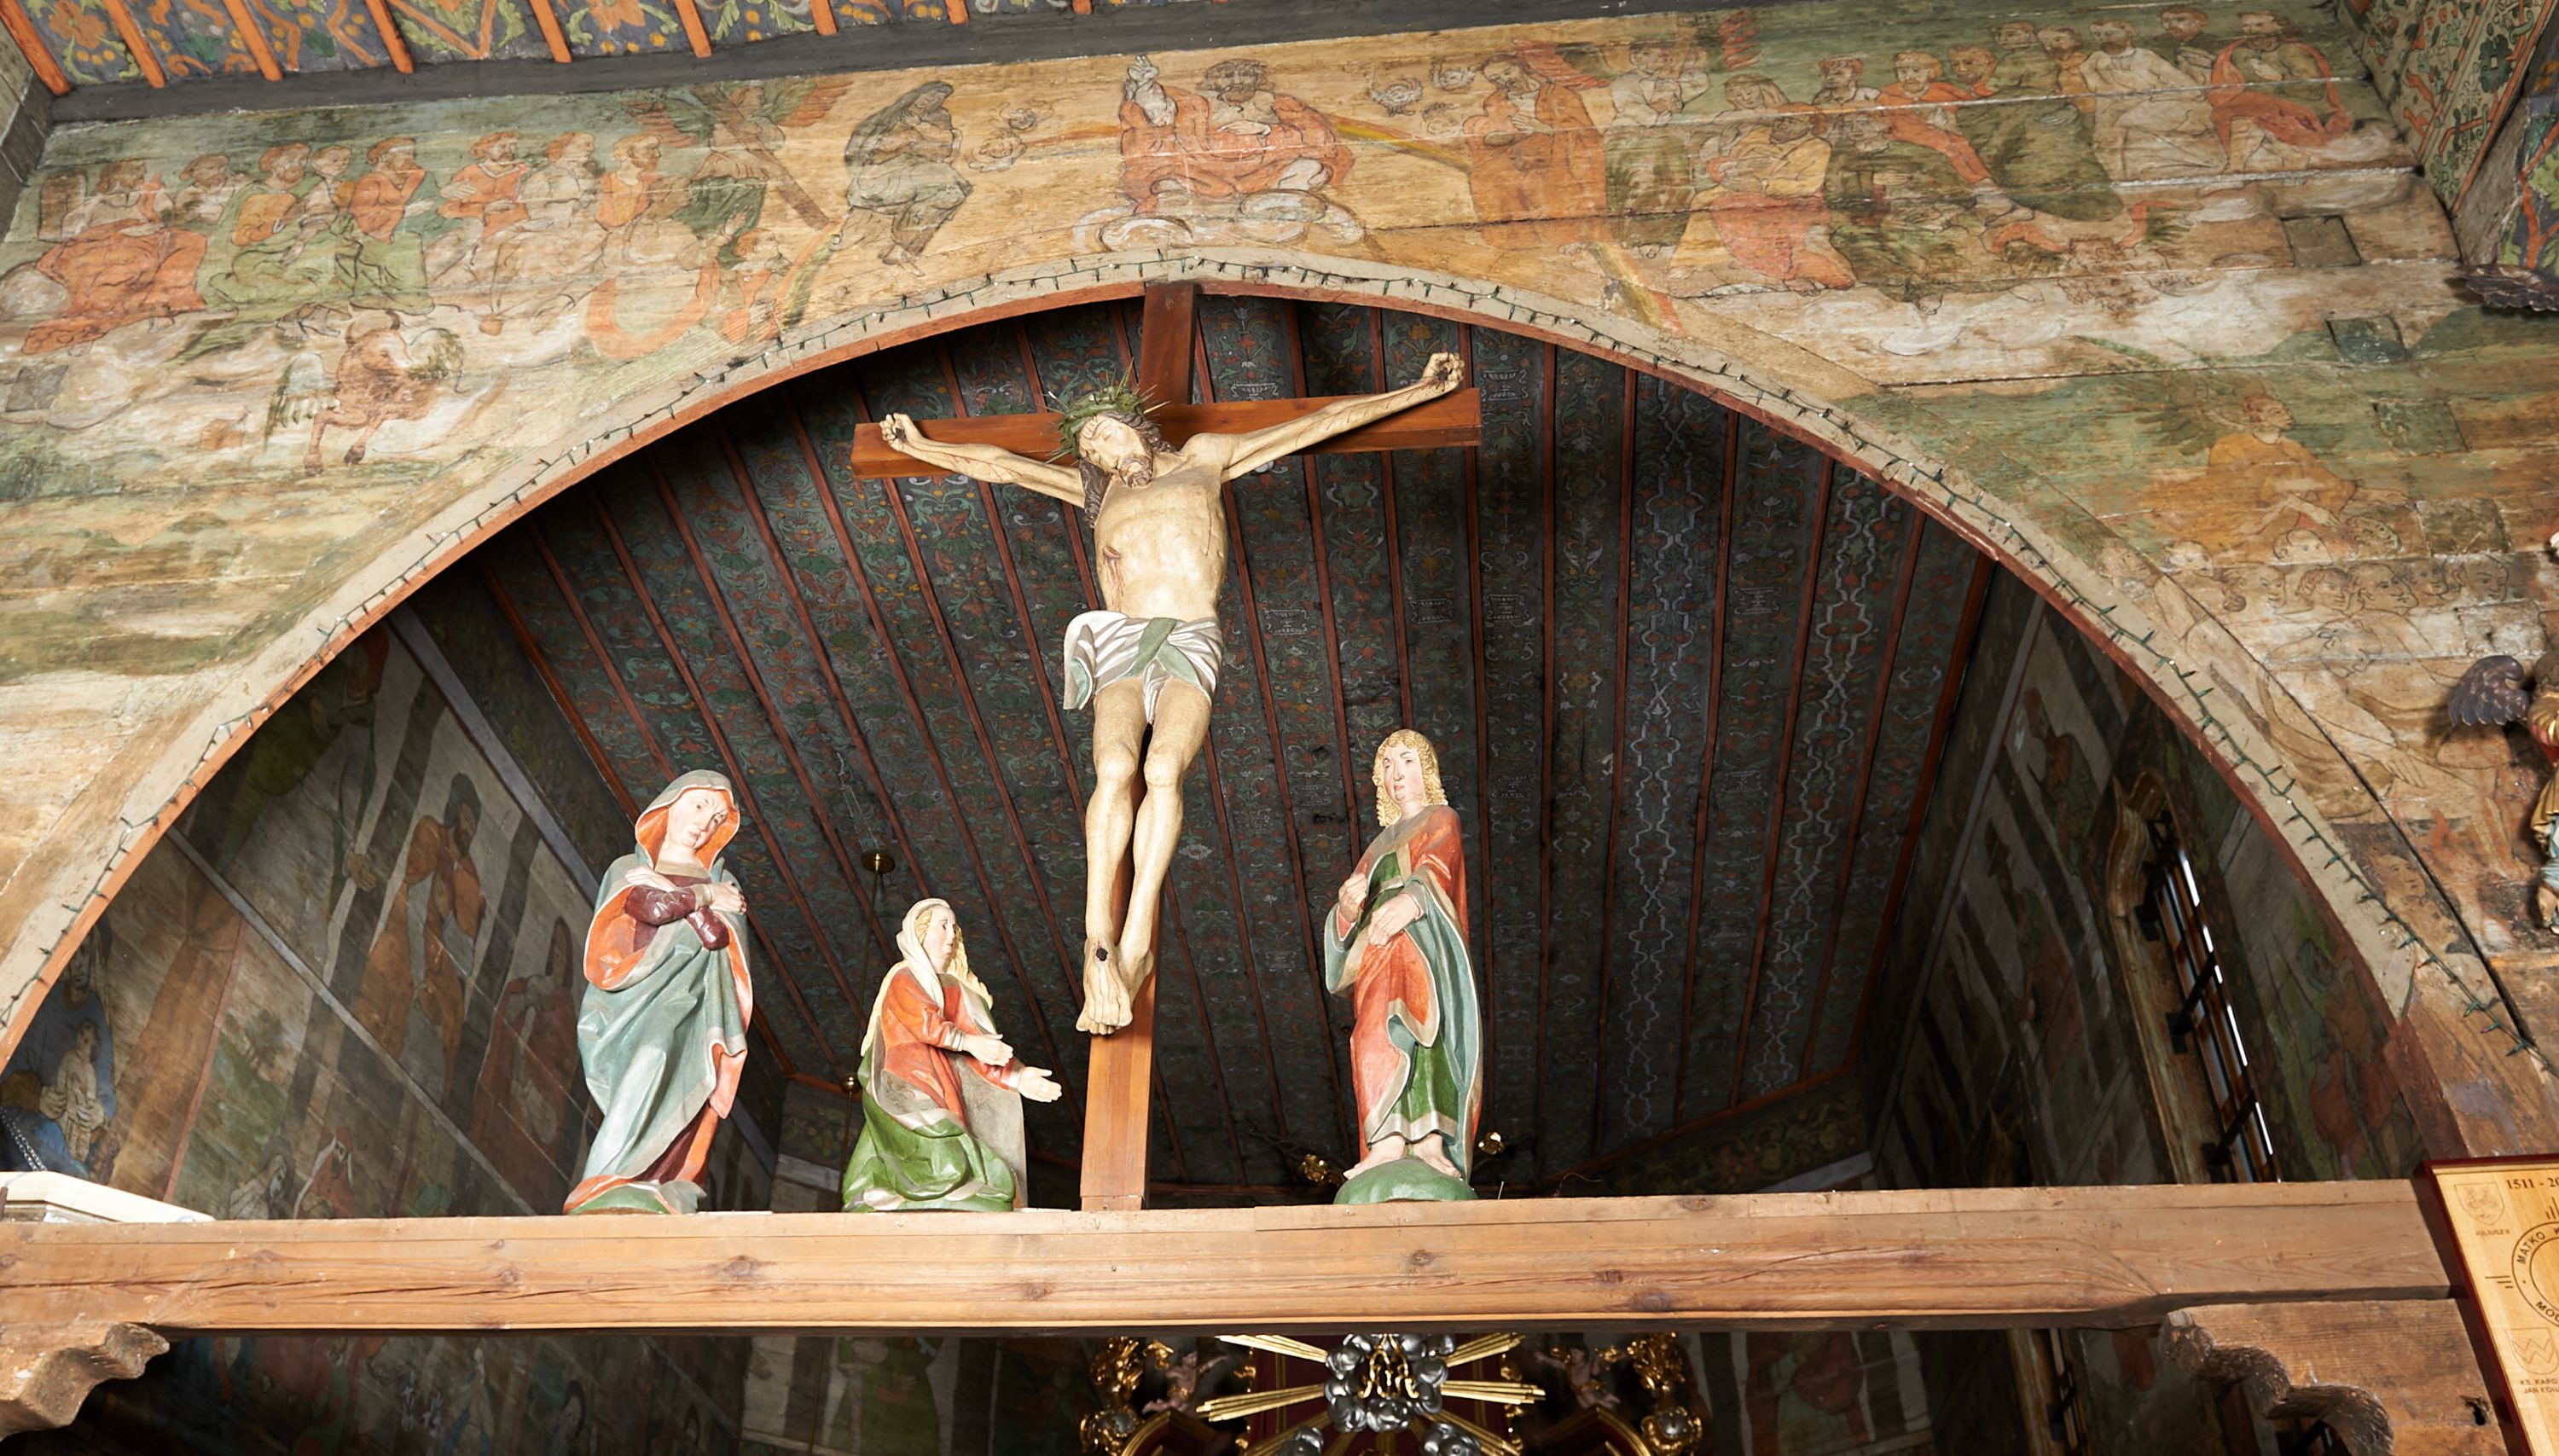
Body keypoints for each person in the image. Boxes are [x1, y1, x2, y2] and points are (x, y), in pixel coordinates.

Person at [873, 357, 1466, 1034]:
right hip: (1121, 640)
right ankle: (1099, 937)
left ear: (1135, 426)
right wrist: (920, 447)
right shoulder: (1097, 494)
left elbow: (1313, 425)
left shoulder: (1204, 457)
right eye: (1092, 451)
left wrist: (1417, 390)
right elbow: (1001, 466)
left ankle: (1137, 935)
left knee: (1161, 769)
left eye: (1105, 436)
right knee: (1113, 766)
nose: (1102, 454)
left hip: (1188, 634)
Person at [565, 771, 753, 1215]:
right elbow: (651, 907)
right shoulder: (629, 869)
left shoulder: (724, 880)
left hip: (693, 1005)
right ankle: (607, 1177)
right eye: (699, 807)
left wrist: (685, 895)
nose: (703, 824)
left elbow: (716, 938)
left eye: (717, 819)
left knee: (676, 1072)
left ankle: (656, 1181)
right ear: (670, 806)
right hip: (631, 998)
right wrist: (703, 896)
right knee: (647, 1059)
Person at [1323, 730, 1483, 1200]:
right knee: (1372, 1032)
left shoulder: (1441, 818)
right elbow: (1350, 913)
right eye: (1388, 766)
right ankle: (1386, 1141)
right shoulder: (1377, 844)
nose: (1397, 774)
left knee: (1423, 1028)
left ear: (1426, 770)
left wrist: (1411, 902)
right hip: (1378, 947)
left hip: (1423, 943)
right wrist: (1347, 908)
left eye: (1407, 761)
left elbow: (1439, 868)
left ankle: (1430, 1141)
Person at [840, 899, 1063, 1213]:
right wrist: (966, 1042)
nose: (951, 935)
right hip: (902, 1082)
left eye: (954, 927)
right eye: (942, 926)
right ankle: (890, 1196)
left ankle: (915, 1196)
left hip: (943, 1086)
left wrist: (1019, 1077)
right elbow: (924, 1021)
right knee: (942, 1154)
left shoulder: (958, 990)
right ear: (920, 933)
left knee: (967, 1161)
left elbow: (983, 1047)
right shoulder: (906, 977)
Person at [1117, 56, 1350, 214]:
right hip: (1205, 173)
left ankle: (1277, 210)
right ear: (1214, 81)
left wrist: (1266, 130)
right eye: (1228, 76)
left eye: (1246, 75)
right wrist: (1144, 86)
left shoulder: (1277, 104)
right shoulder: (1196, 105)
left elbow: (1319, 137)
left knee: (1310, 169)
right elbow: (1158, 115)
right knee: (1168, 185)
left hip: (1267, 170)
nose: (1237, 82)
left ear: (1258, 79)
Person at [25, 158, 207, 353]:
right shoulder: (96, 203)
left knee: (188, 243)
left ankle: (158, 305)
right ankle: (87, 329)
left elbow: (168, 216)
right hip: (106, 248)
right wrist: (120, 231)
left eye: (142, 174)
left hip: (148, 242)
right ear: (116, 175)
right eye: (135, 173)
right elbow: (75, 232)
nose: (140, 177)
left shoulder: (151, 193)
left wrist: (156, 217)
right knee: (121, 269)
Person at [1465, 53, 1610, 249]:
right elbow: (1495, 131)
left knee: (1541, 182)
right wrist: (1496, 137)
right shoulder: (1496, 101)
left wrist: (1543, 128)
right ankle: (1515, 238)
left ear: (1521, 66)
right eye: (1496, 79)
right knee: (1483, 175)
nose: (1505, 81)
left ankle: (1569, 236)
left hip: (1560, 155)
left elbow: (1586, 136)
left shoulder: (1559, 96)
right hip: (1519, 156)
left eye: (1507, 72)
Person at [843, 82, 974, 271]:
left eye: (938, 98)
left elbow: (944, 149)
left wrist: (919, 132)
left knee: (950, 194)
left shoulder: (939, 117)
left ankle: (903, 248)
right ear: (917, 94)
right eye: (929, 95)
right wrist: (912, 136)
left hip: (920, 172)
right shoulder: (892, 116)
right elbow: (875, 146)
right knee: (946, 188)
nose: (931, 101)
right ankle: (903, 247)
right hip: (883, 177)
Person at [2080, 18, 2226, 180]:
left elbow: (2182, 82)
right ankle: (2124, 178)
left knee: (2130, 124)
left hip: (2158, 104)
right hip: (2113, 108)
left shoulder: (2146, 56)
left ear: (2129, 33)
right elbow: (2099, 88)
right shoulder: (2094, 61)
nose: (2104, 39)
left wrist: (2156, 95)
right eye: (2098, 35)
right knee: (2109, 138)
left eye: (2110, 33)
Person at [1604, 39, 1701, 254]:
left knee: (1677, 177)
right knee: (1644, 177)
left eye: (1662, 58)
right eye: (1653, 57)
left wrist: (1673, 89)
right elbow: (1629, 105)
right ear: (1636, 58)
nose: (1658, 63)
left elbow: (1694, 87)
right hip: (1629, 139)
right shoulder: (1625, 81)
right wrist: (1654, 119)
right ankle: (1638, 236)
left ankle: (1668, 235)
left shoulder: (1668, 80)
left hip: (1665, 140)